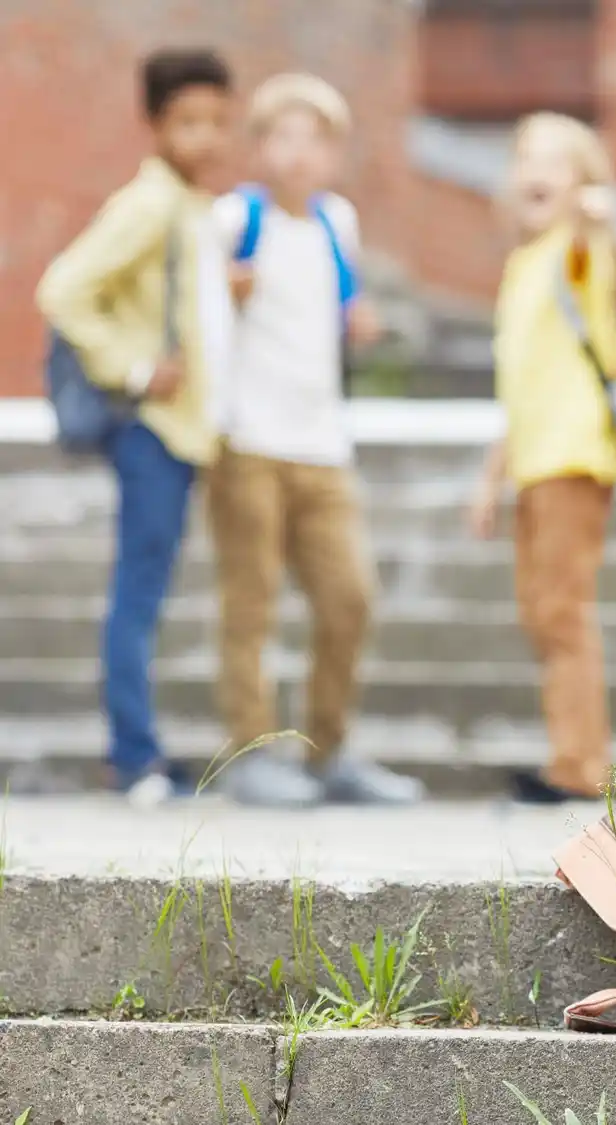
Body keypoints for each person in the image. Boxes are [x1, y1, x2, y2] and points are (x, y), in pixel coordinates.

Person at [205, 74, 422, 806]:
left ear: (334, 153)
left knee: (349, 596)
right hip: (248, 441)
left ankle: (330, 748)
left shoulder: (339, 222)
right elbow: (199, 316)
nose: (299, 153)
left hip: (323, 444)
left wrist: (360, 319)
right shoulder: (235, 219)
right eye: (283, 135)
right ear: (260, 146)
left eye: (315, 138)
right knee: (251, 602)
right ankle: (252, 750)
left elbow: (339, 301)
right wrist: (221, 294)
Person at [37, 49, 235, 807]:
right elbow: (64, 288)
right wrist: (133, 367)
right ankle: (133, 755)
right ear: (153, 124)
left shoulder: (190, 205)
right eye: (188, 121)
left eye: (218, 121)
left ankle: (139, 749)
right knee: (138, 590)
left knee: (147, 586)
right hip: (152, 430)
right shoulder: (150, 203)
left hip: (185, 432)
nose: (207, 137)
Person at [469, 113, 616, 804]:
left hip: (574, 455)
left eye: (555, 162)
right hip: (533, 460)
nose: (536, 172)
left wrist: (597, 216)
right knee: (540, 611)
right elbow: (521, 384)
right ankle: (570, 752)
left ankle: (580, 764)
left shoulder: (577, 250)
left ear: (582, 181)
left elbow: (602, 249)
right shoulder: (522, 263)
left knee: (562, 610)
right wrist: (490, 479)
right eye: (525, 158)